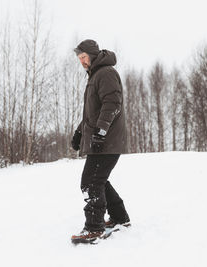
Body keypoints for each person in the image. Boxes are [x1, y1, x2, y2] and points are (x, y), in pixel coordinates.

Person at [70, 39, 130, 244]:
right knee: (99, 180)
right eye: (79, 58)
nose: (82, 62)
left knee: (90, 182)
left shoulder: (105, 73)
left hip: (108, 141)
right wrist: (80, 133)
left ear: (93, 55)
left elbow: (112, 103)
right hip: (102, 140)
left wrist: (101, 131)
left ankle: (94, 228)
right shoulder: (95, 76)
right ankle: (120, 218)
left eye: (84, 57)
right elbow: (91, 114)